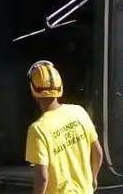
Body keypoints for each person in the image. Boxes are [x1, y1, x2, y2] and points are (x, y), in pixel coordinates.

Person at [25, 60, 104, 194]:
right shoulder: (79, 112)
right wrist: (93, 178)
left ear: (33, 91)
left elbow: (43, 178)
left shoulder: (38, 129)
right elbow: (98, 153)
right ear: (60, 88)